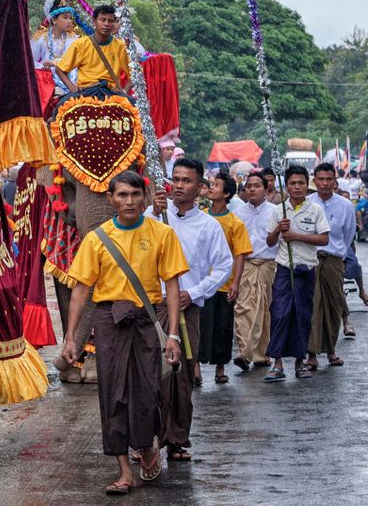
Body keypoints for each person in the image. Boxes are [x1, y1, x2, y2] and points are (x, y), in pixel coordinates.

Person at [61, 170, 186, 495]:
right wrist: (71, 336)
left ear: (144, 197)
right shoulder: (97, 238)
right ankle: (124, 471)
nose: (129, 201)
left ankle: (146, 446)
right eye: (122, 195)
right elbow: (80, 290)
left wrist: (172, 334)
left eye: (134, 195)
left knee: (147, 391)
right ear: (111, 199)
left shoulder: (161, 234)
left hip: (146, 318)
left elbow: (171, 285)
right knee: (112, 394)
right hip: (109, 321)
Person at [148, 157, 231, 462]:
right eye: (176, 179)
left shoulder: (209, 225)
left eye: (186, 181)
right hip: (152, 305)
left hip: (187, 308)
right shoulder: (154, 216)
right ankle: (146, 439)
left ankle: (177, 439)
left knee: (180, 374)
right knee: (151, 373)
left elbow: (223, 266)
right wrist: (153, 213)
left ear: (200, 187)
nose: (179, 186)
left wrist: (193, 292)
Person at [262, 165, 330, 382]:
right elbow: (270, 242)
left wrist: (297, 236)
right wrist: (278, 230)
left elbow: (324, 239)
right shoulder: (278, 210)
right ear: (287, 186)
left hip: (306, 270)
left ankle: (300, 363)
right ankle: (277, 363)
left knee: (302, 316)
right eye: (292, 183)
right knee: (280, 314)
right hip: (284, 269)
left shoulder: (315, 210)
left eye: (301, 183)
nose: (297, 187)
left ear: (306, 184)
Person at [199, 174, 252, 384]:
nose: (211, 188)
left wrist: (236, 282)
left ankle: (220, 369)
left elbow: (240, 254)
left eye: (217, 185)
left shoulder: (235, 222)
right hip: (201, 283)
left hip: (224, 284)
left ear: (227, 193)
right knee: (200, 327)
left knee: (223, 327)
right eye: (211, 184)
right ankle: (195, 368)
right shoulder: (200, 216)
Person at [305, 163, 355, 370]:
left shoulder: (345, 205)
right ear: (314, 181)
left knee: (335, 307)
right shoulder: (306, 203)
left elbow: (348, 235)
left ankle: (331, 351)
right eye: (321, 179)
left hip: (334, 260)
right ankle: (312, 354)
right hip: (310, 260)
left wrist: (340, 257)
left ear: (335, 181)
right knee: (312, 307)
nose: (325, 184)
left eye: (329, 179)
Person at [232, 171, 279, 370]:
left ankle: (260, 355)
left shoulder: (275, 211)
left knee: (264, 310)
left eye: (256, 185)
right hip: (246, 265)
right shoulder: (238, 213)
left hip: (268, 265)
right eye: (248, 186)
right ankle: (245, 351)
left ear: (265, 188)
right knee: (244, 308)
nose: (251, 189)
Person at [55, 4, 130, 98]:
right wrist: (72, 88)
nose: (106, 24)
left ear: (114, 23)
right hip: (86, 92)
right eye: (103, 20)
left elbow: (134, 74)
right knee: (61, 107)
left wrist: (123, 91)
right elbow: (60, 69)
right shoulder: (80, 44)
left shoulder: (120, 46)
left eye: (110, 21)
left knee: (134, 109)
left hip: (111, 92)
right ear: (94, 21)